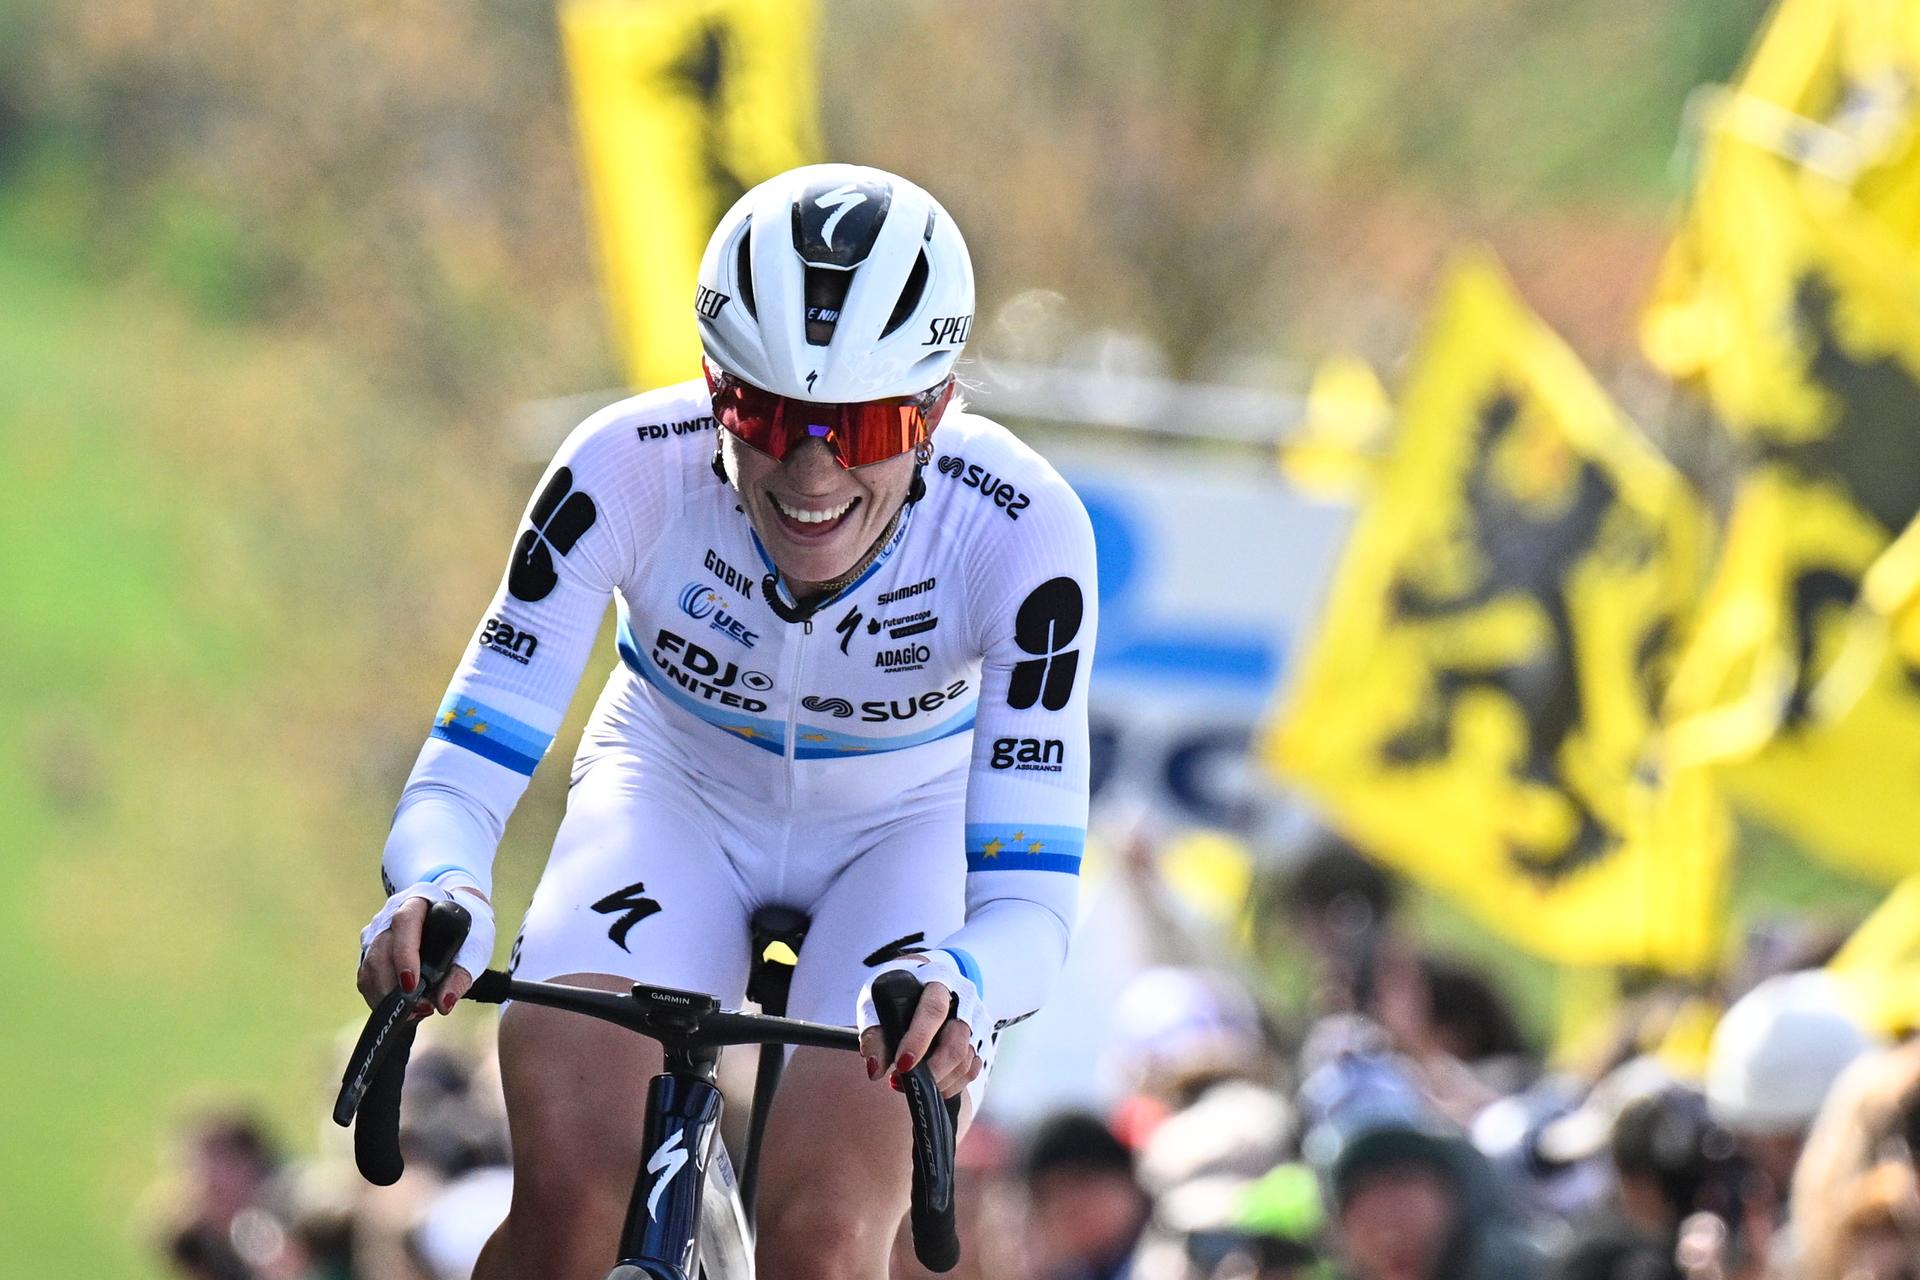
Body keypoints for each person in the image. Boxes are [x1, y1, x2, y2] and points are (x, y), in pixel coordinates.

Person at [353, 162, 1099, 1280]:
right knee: (572, 1212)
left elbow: (1029, 901)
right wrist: (442, 882)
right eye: (766, 415)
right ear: (713, 388)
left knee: (828, 1241)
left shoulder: (1022, 530)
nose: (812, 471)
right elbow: (464, 769)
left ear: (939, 409)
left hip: (903, 826)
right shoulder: (621, 468)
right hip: (671, 789)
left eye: (865, 426)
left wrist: (970, 984)